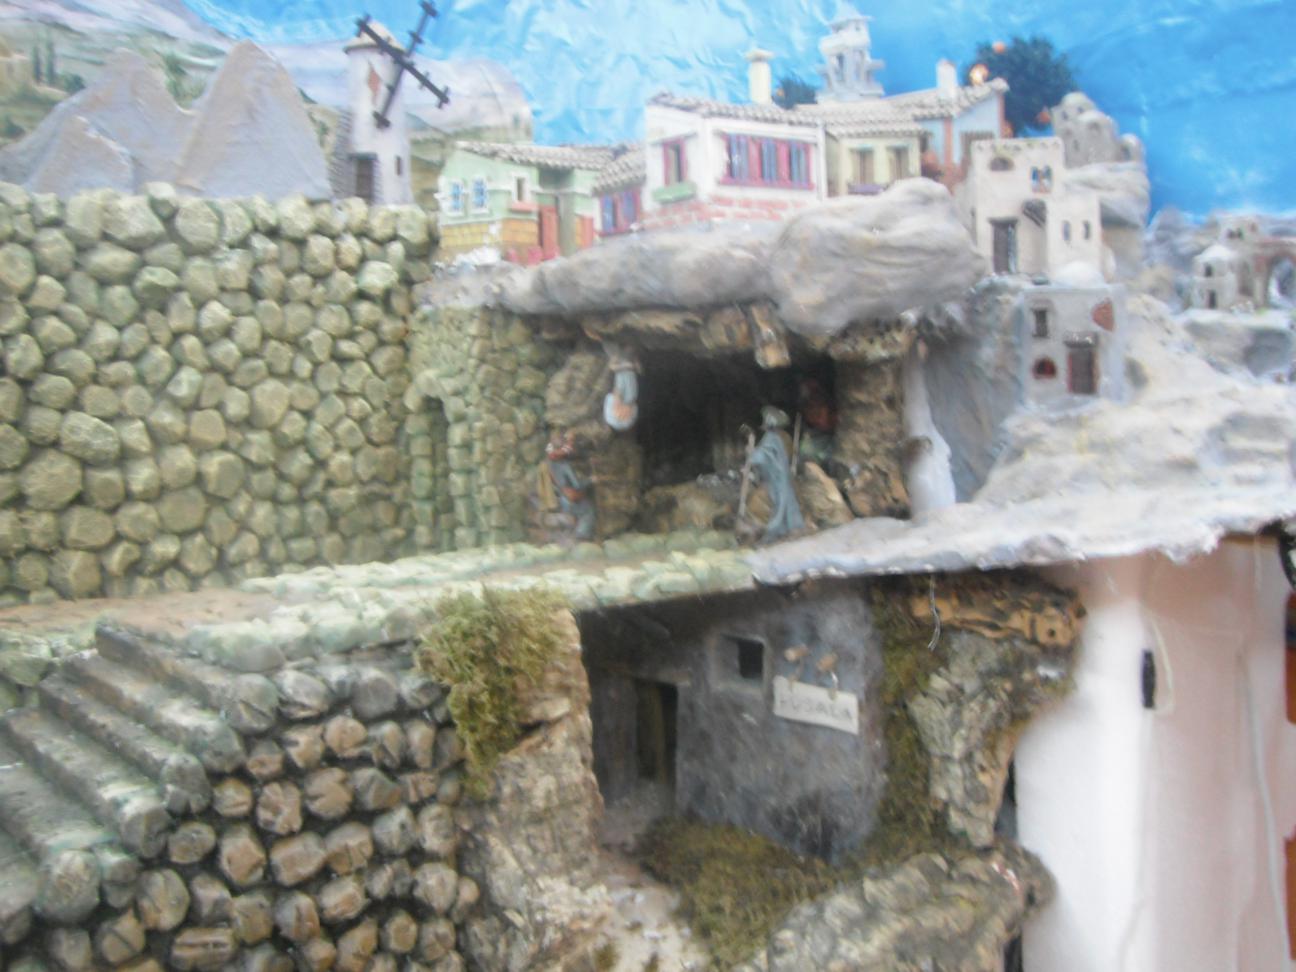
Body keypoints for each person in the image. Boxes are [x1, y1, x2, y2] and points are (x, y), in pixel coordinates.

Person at [748, 406, 805, 542]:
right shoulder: (776, 438)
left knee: (781, 503)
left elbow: (763, 455)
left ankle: (776, 530)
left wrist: (751, 456)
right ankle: (791, 527)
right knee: (786, 501)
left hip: (778, 477)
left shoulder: (771, 438)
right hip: (780, 476)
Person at [544, 431, 596, 540]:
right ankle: (581, 536)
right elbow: (577, 485)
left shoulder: (549, 462)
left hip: (558, 497)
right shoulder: (564, 466)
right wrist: (591, 480)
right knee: (589, 510)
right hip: (568, 501)